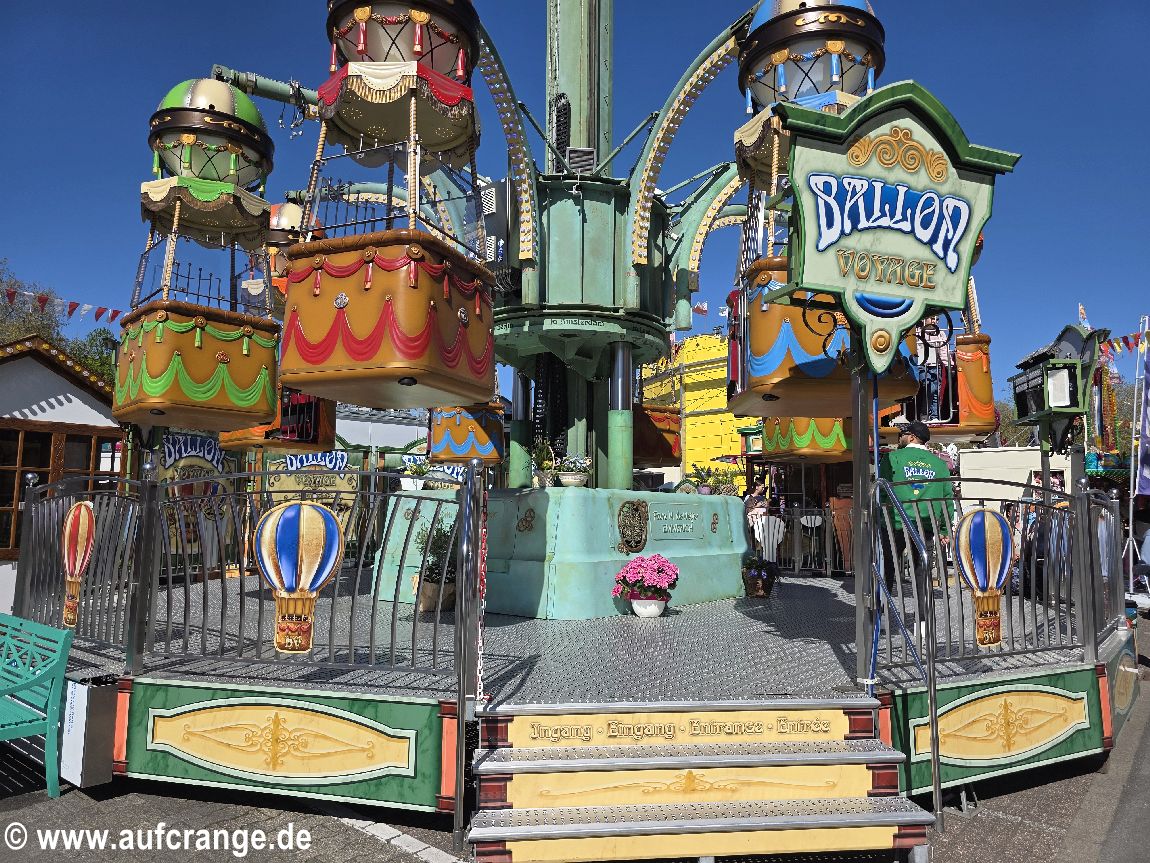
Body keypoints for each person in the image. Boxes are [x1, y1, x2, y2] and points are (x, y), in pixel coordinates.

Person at [878, 421, 955, 606]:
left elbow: (881, 491)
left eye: (902, 435)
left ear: (912, 437)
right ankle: (923, 618)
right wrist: (944, 529)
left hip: (895, 522)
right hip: (925, 524)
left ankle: (881, 612)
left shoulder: (892, 458)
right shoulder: (940, 464)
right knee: (922, 572)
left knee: (887, 567)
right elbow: (947, 498)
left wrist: (879, 518)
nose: (899, 438)